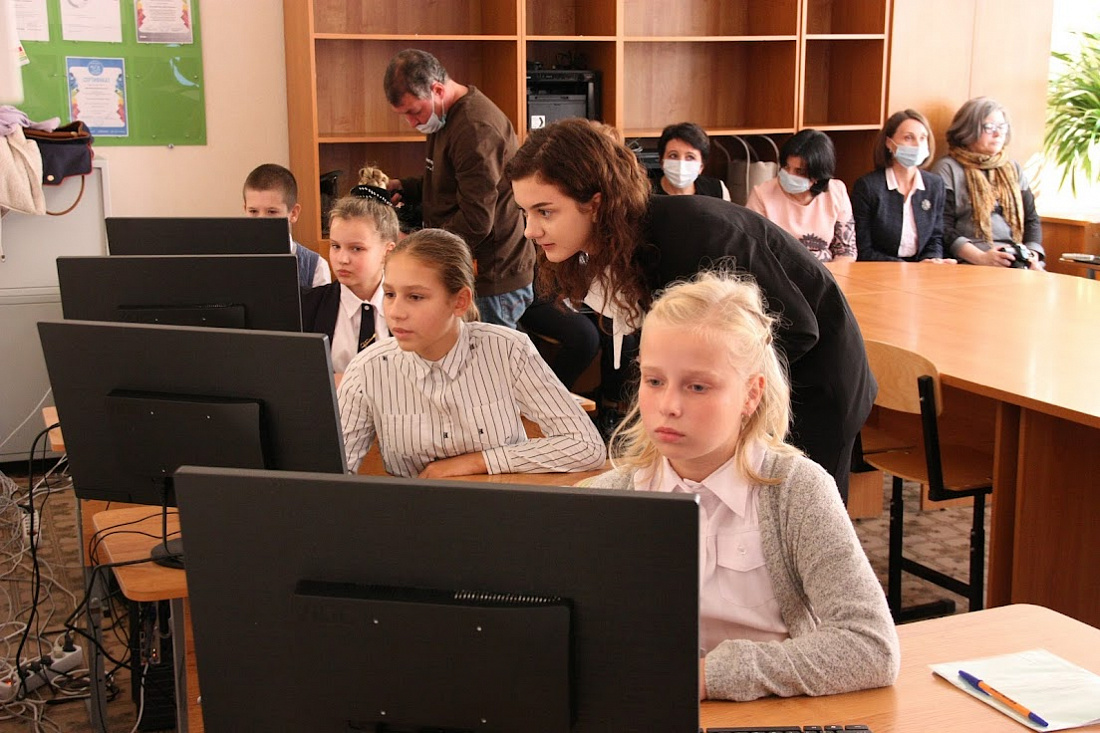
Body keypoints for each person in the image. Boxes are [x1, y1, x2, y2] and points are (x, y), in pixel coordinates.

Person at [506, 118, 876, 503]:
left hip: (813, 387)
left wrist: (712, 401)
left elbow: (796, 330)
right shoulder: (622, 245)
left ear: (595, 205)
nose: (530, 230)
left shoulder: (700, 235)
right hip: (748, 392)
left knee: (792, 517)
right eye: (525, 213)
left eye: (545, 212)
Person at [579, 273, 899, 702]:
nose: (668, 406)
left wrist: (707, 677)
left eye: (697, 386)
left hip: (768, 714)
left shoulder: (797, 492)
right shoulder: (603, 499)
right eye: (654, 381)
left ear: (751, 395)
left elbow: (871, 646)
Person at [337, 228, 606, 478]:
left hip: (500, 506)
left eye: (415, 297)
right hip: (415, 511)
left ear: (460, 301)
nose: (395, 312)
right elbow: (333, 473)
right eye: (389, 294)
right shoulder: (367, 369)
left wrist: (478, 461)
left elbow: (586, 445)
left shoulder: (507, 349)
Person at [383, 49, 535, 327]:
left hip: (491, 277)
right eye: (404, 115)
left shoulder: (475, 128)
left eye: (414, 112)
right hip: (467, 269)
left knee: (486, 356)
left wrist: (415, 244)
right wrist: (405, 187)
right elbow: (449, 180)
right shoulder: (442, 116)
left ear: (438, 90)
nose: (413, 123)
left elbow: (476, 221)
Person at [930, 97, 1045, 269]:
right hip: (971, 261)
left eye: (1002, 127)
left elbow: (1031, 219)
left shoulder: (1012, 168)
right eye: (989, 127)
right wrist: (981, 257)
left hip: (1016, 257)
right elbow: (942, 226)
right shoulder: (948, 168)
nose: (998, 134)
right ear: (968, 130)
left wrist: (1032, 255)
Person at [300, 192, 399, 373]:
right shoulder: (307, 306)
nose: (342, 259)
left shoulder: (410, 307)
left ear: (387, 252)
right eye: (335, 246)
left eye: (356, 248)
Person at [851, 110, 955, 263]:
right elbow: (863, 249)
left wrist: (932, 261)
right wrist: (907, 269)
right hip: (880, 269)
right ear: (889, 143)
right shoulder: (868, 187)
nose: (917, 145)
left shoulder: (935, 185)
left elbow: (935, 238)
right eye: (908, 138)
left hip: (923, 269)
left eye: (922, 138)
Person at [745, 130, 857, 263]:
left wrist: (831, 275)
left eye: (800, 171)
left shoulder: (836, 191)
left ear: (818, 175)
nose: (789, 175)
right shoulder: (762, 194)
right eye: (786, 167)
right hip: (778, 269)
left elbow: (846, 251)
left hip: (827, 272)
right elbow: (753, 251)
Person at [242, 163, 332, 288]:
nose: (261, 221)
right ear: (245, 210)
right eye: (253, 211)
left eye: (272, 212)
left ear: (293, 213)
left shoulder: (315, 267)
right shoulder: (231, 260)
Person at [652, 122, 731, 200]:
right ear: (661, 162)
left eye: (690, 157)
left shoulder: (717, 190)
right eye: (673, 156)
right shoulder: (647, 193)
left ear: (701, 166)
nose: (681, 164)